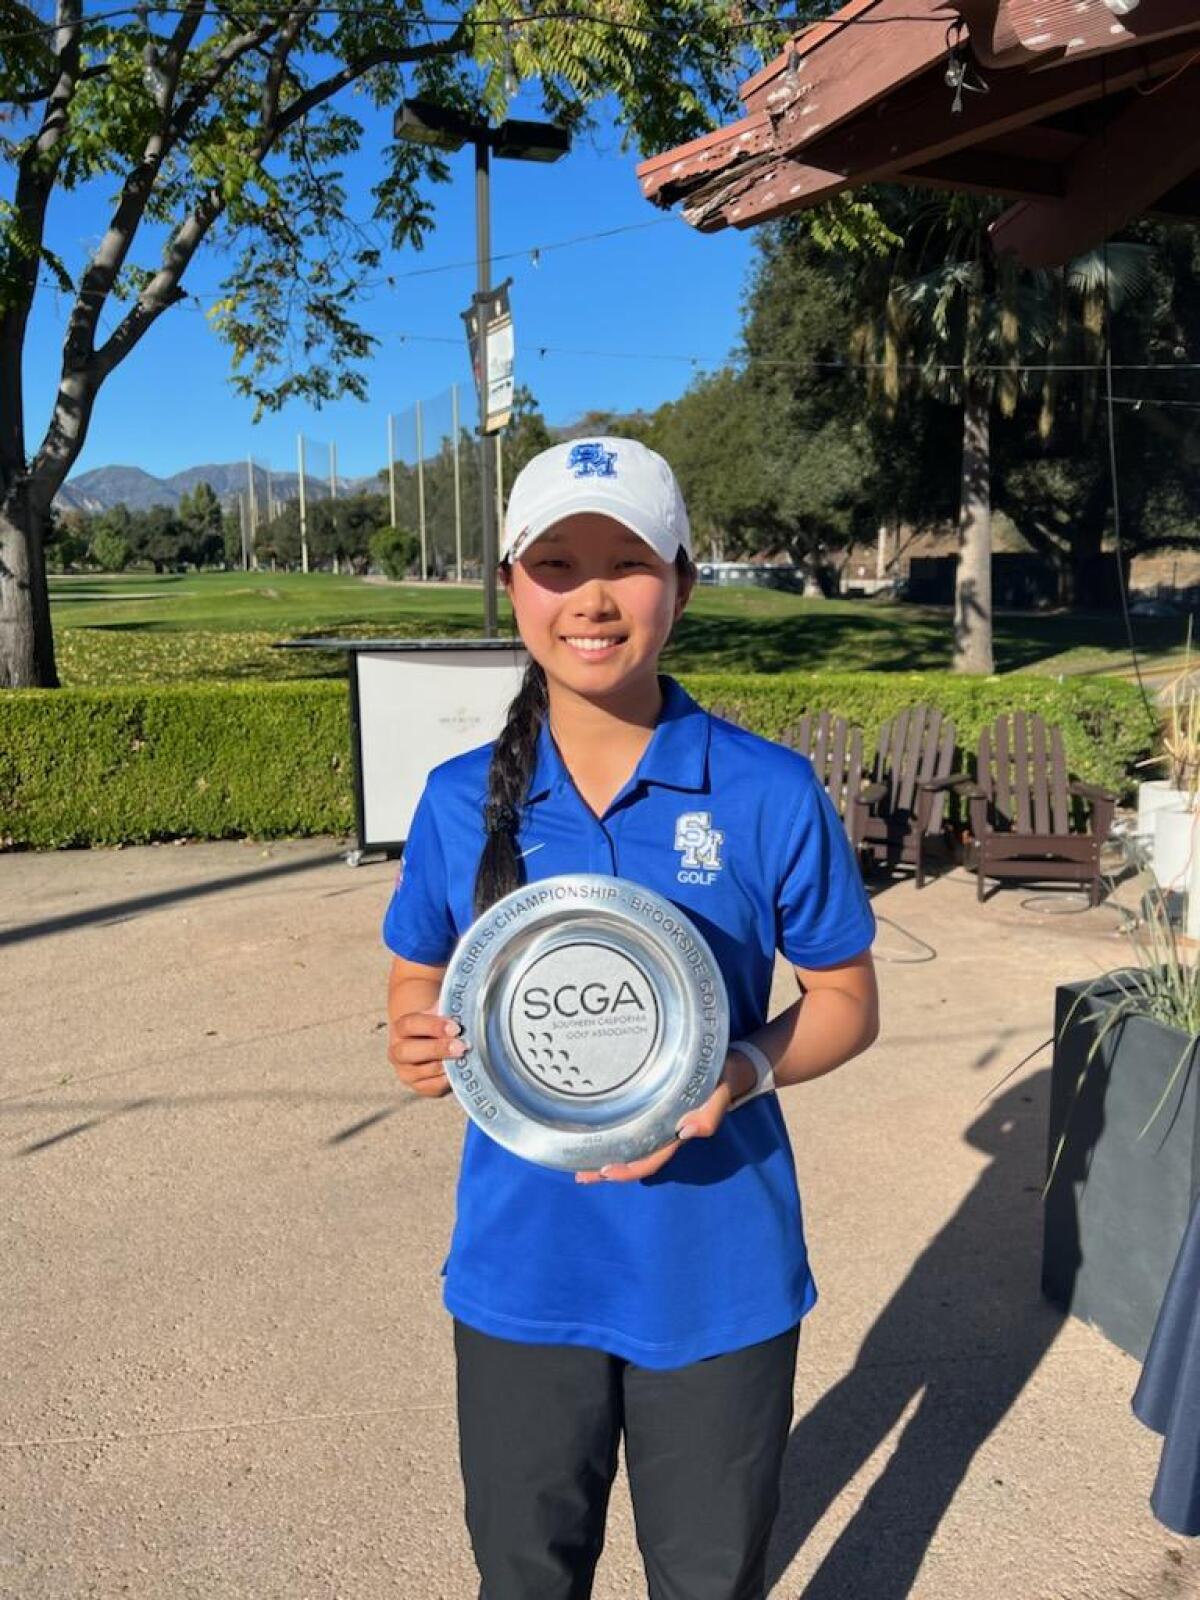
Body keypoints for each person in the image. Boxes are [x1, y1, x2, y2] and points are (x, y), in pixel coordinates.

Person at [383, 437, 879, 1600]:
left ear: (684, 582)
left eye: (629, 561)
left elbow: (849, 1001)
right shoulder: (462, 799)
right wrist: (413, 1034)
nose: (592, 596)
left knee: (708, 1581)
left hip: (718, 1274)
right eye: (554, 562)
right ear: (511, 586)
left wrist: (743, 1070)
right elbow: (416, 970)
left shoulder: (765, 790)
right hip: (522, 1270)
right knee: (523, 1576)